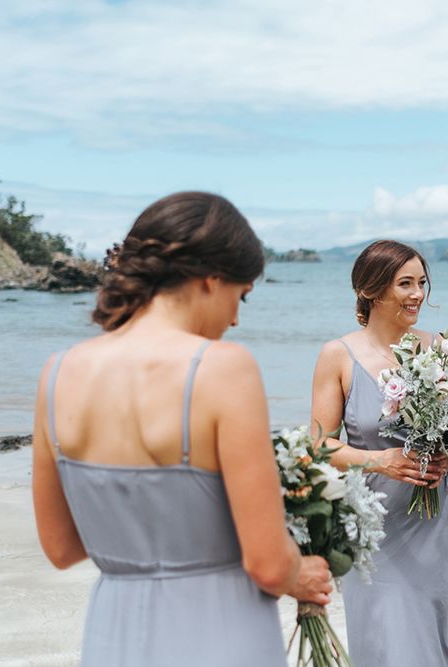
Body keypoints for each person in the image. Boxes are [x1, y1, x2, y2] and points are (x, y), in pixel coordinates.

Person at [32, 192, 332, 667]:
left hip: (114, 633)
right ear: (212, 280)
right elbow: (268, 566)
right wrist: (303, 570)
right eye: (242, 296)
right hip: (217, 631)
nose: (236, 318)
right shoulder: (222, 368)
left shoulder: (58, 371)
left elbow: (62, 548)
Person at [311, 240, 448, 666]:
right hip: (375, 523)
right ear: (372, 289)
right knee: (391, 638)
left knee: (444, 630)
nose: (417, 294)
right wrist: (381, 461)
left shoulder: (439, 350)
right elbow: (320, 445)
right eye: (405, 283)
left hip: (434, 519)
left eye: (422, 283)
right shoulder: (337, 355)